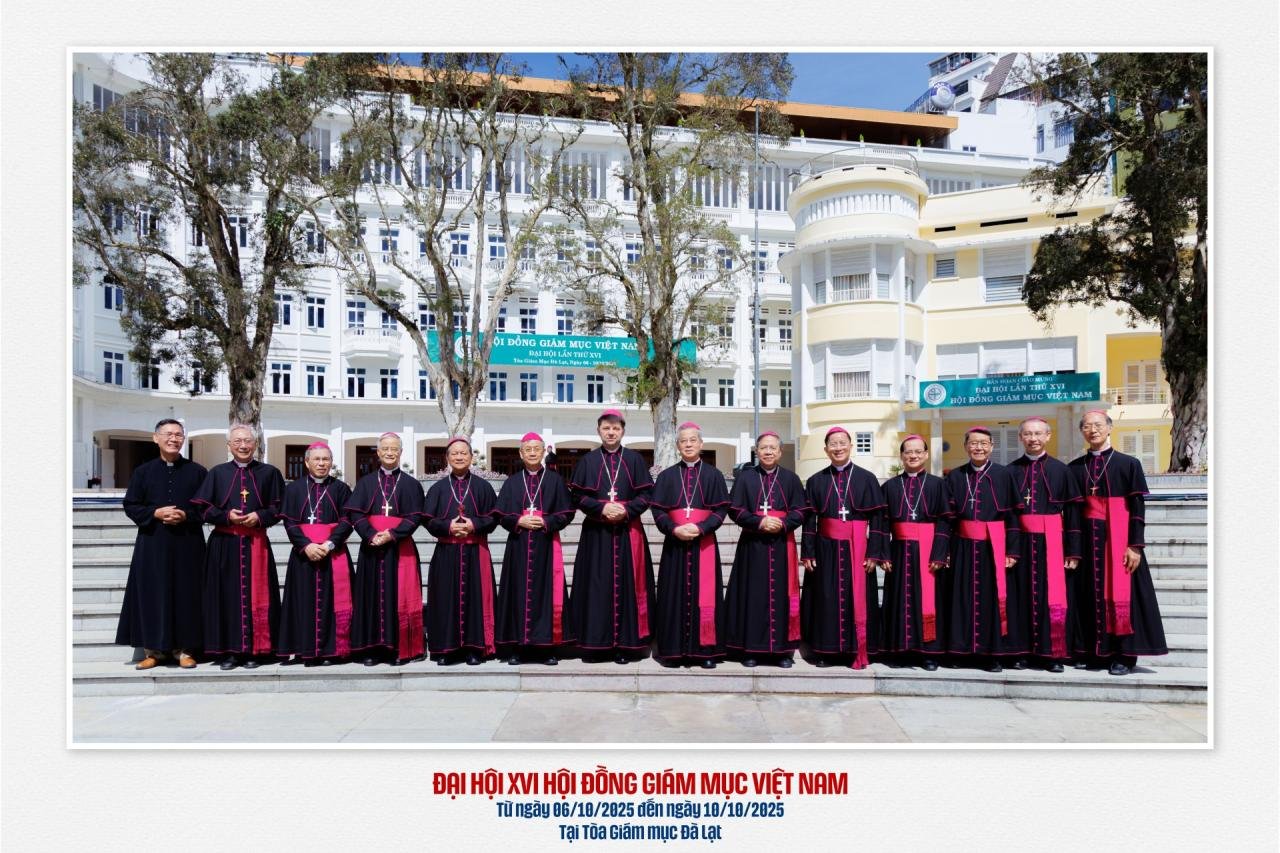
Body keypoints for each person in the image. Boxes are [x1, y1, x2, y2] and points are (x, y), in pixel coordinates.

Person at [1067, 410, 1168, 675]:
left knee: (1124, 596)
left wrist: (1135, 546)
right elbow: (1072, 512)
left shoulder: (1128, 463)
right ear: (1082, 431)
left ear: (1109, 428)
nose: (1093, 430)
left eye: (1098, 425)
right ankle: (1094, 653)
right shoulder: (1075, 468)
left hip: (1119, 540)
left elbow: (1137, 508)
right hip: (1088, 542)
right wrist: (1074, 549)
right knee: (1089, 595)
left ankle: (1123, 656)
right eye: (1087, 426)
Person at [191, 424, 285, 670]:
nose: (243, 446)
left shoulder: (269, 473)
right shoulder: (217, 473)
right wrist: (226, 516)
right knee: (225, 597)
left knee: (258, 597)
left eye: (248, 441)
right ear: (229, 445)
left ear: (256, 444)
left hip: (256, 544)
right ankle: (229, 652)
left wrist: (260, 516)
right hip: (224, 545)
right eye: (237, 441)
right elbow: (202, 508)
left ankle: (256, 650)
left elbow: (279, 507)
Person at [115, 419, 207, 670]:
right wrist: (155, 513)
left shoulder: (198, 472)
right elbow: (131, 505)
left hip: (188, 544)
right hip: (152, 543)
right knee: (152, 595)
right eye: (168, 434)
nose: (173, 439)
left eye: (178, 435)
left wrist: (185, 515)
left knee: (187, 594)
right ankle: (153, 651)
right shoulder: (143, 472)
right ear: (156, 438)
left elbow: (207, 508)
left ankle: (185, 650)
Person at [567, 409, 655, 664]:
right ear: (599, 431)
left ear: (623, 431)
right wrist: (601, 508)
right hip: (597, 534)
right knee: (596, 586)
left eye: (616, 428)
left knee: (629, 585)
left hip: (628, 532)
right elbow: (577, 496)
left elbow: (647, 495)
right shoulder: (588, 461)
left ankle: (625, 645)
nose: (611, 432)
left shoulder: (635, 460)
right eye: (606, 428)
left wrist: (627, 510)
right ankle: (597, 645)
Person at [801, 426, 889, 669]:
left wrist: (874, 552)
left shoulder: (867, 478)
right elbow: (809, 519)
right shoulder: (816, 480)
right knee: (826, 598)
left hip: (858, 549)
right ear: (826, 449)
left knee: (857, 598)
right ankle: (825, 651)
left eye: (842, 443)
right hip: (825, 549)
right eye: (833, 444)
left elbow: (878, 519)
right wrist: (807, 551)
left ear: (851, 446)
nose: (838, 448)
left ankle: (856, 649)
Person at [649, 422, 731, 669]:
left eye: (692, 440)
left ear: (701, 444)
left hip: (703, 543)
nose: (688, 444)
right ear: (677, 446)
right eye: (683, 441)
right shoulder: (667, 476)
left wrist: (702, 528)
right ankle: (672, 651)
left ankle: (705, 651)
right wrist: (674, 529)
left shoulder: (714, 475)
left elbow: (721, 509)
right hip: (675, 544)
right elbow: (658, 510)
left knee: (706, 597)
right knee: (672, 595)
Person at [943, 426, 1024, 672]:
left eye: (983, 443)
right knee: (961, 598)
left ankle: (994, 654)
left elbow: (1012, 516)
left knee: (993, 599)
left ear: (991, 446)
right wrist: (945, 551)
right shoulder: (955, 476)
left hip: (994, 546)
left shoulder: (1003, 475)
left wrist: (1012, 551)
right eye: (973, 443)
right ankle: (960, 652)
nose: (978, 447)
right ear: (966, 446)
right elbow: (947, 519)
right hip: (963, 546)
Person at [724, 431, 807, 668]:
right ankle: (750, 650)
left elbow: (801, 510)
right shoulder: (745, 478)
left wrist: (782, 523)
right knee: (752, 595)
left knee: (782, 597)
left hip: (782, 545)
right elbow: (735, 509)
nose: (768, 452)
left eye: (773, 448)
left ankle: (782, 652)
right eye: (763, 448)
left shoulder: (791, 479)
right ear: (756, 451)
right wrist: (759, 522)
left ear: (780, 452)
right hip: (752, 545)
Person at [493, 432, 576, 665]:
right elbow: (500, 514)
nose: (532, 453)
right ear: (521, 453)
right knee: (516, 594)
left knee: (547, 594)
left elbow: (567, 512)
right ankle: (517, 648)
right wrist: (518, 520)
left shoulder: (555, 481)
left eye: (536, 449)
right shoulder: (512, 482)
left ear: (543, 452)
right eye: (527, 449)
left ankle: (546, 648)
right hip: (518, 547)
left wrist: (546, 522)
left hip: (546, 546)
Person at [1008, 417, 1081, 673]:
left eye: (1038, 433)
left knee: (1052, 597)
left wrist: (1073, 550)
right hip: (1020, 543)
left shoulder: (1062, 470)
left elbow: (1072, 513)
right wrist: (1009, 548)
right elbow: (1007, 514)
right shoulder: (1010, 471)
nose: (1033, 438)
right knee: (1020, 596)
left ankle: (1053, 654)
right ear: (1021, 438)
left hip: (1053, 542)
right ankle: (1020, 652)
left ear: (1048, 436)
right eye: (1028, 434)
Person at [347, 432, 425, 666]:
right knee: (371, 597)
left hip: (400, 548)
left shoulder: (411, 484)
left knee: (399, 597)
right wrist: (371, 535)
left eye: (394, 449)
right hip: (372, 548)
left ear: (401, 453)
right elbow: (356, 514)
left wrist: (392, 534)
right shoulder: (366, 482)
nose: (390, 453)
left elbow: (415, 517)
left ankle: (400, 648)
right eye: (386, 449)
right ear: (378, 452)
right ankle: (372, 648)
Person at [277, 442, 354, 667]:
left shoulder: (341, 489)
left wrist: (329, 544)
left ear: (331, 462)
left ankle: (332, 651)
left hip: (333, 554)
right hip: (304, 555)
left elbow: (348, 521)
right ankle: (304, 650)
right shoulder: (294, 489)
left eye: (326, 459)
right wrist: (306, 546)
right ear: (307, 462)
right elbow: (290, 522)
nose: (321, 464)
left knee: (332, 603)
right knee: (302, 602)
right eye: (317, 459)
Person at [424, 436, 499, 666]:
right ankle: (446, 649)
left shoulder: (483, 487)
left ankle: (474, 649)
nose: (459, 457)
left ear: (471, 457)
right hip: (446, 553)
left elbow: (494, 518)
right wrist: (448, 526)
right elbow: (428, 520)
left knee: (475, 601)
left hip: (475, 552)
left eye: (463, 453)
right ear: (447, 458)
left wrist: (473, 525)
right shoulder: (437, 489)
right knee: (444, 600)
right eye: (454, 453)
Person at [879, 435, 951, 671]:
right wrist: (884, 554)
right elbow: (882, 524)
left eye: (918, 451)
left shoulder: (938, 485)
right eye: (908, 452)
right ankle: (899, 651)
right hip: (899, 551)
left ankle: (929, 653)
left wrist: (939, 553)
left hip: (928, 552)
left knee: (928, 601)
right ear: (901, 456)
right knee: (898, 599)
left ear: (926, 455)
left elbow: (944, 521)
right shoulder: (890, 486)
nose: (913, 455)